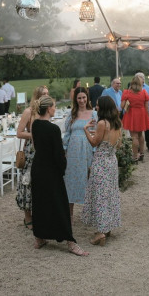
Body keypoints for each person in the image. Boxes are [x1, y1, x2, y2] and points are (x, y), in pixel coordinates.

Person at [31, 95, 88, 256]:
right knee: (60, 204)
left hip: (38, 167)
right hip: (50, 170)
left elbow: (36, 146)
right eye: (54, 106)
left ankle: (40, 237)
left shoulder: (35, 124)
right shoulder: (53, 129)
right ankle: (70, 242)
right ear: (49, 109)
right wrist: (63, 168)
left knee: (40, 202)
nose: (55, 109)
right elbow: (58, 154)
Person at [81, 96, 122, 246]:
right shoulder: (116, 123)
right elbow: (118, 144)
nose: (96, 107)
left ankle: (100, 233)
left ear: (103, 107)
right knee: (110, 194)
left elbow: (94, 142)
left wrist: (85, 130)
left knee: (100, 196)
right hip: (112, 161)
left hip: (101, 162)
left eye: (98, 105)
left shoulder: (102, 123)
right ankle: (107, 227)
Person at [16, 85, 48, 229]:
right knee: (27, 181)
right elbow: (19, 133)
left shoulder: (46, 111)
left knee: (41, 181)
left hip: (43, 149)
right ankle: (27, 216)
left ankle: (39, 212)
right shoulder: (29, 111)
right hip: (31, 150)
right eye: (43, 94)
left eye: (47, 94)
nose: (46, 96)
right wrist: (35, 135)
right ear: (37, 96)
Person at [62, 86, 97, 220]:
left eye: (84, 97)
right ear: (75, 99)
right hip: (73, 151)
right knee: (70, 180)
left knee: (88, 179)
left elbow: (96, 133)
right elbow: (67, 134)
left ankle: (90, 213)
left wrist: (94, 151)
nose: (82, 100)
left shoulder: (93, 114)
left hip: (87, 149)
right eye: (79, 98)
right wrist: (64, 150)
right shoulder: (72, 115)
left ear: (87, 98)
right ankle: (69, 214)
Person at [121, 75, 149, 162]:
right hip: (141, 114)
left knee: (134, 137)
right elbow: (147, 107)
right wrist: (147, 116)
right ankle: (141, 154)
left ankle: (135, 156)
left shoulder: (127, 92)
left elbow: (122, 106)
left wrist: (127, 101)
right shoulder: (144, 92)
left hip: (131, 114)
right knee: (140, 135)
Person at [135, 72, 149, 154]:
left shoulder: (148, 88)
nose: (140, 79)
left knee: (147, 130)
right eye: (138, 78)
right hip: (137, 112)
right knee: (137, 130)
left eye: (141, 78)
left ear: (144, 79)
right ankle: (138, 147)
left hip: (146, 112)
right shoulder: (133, 88)